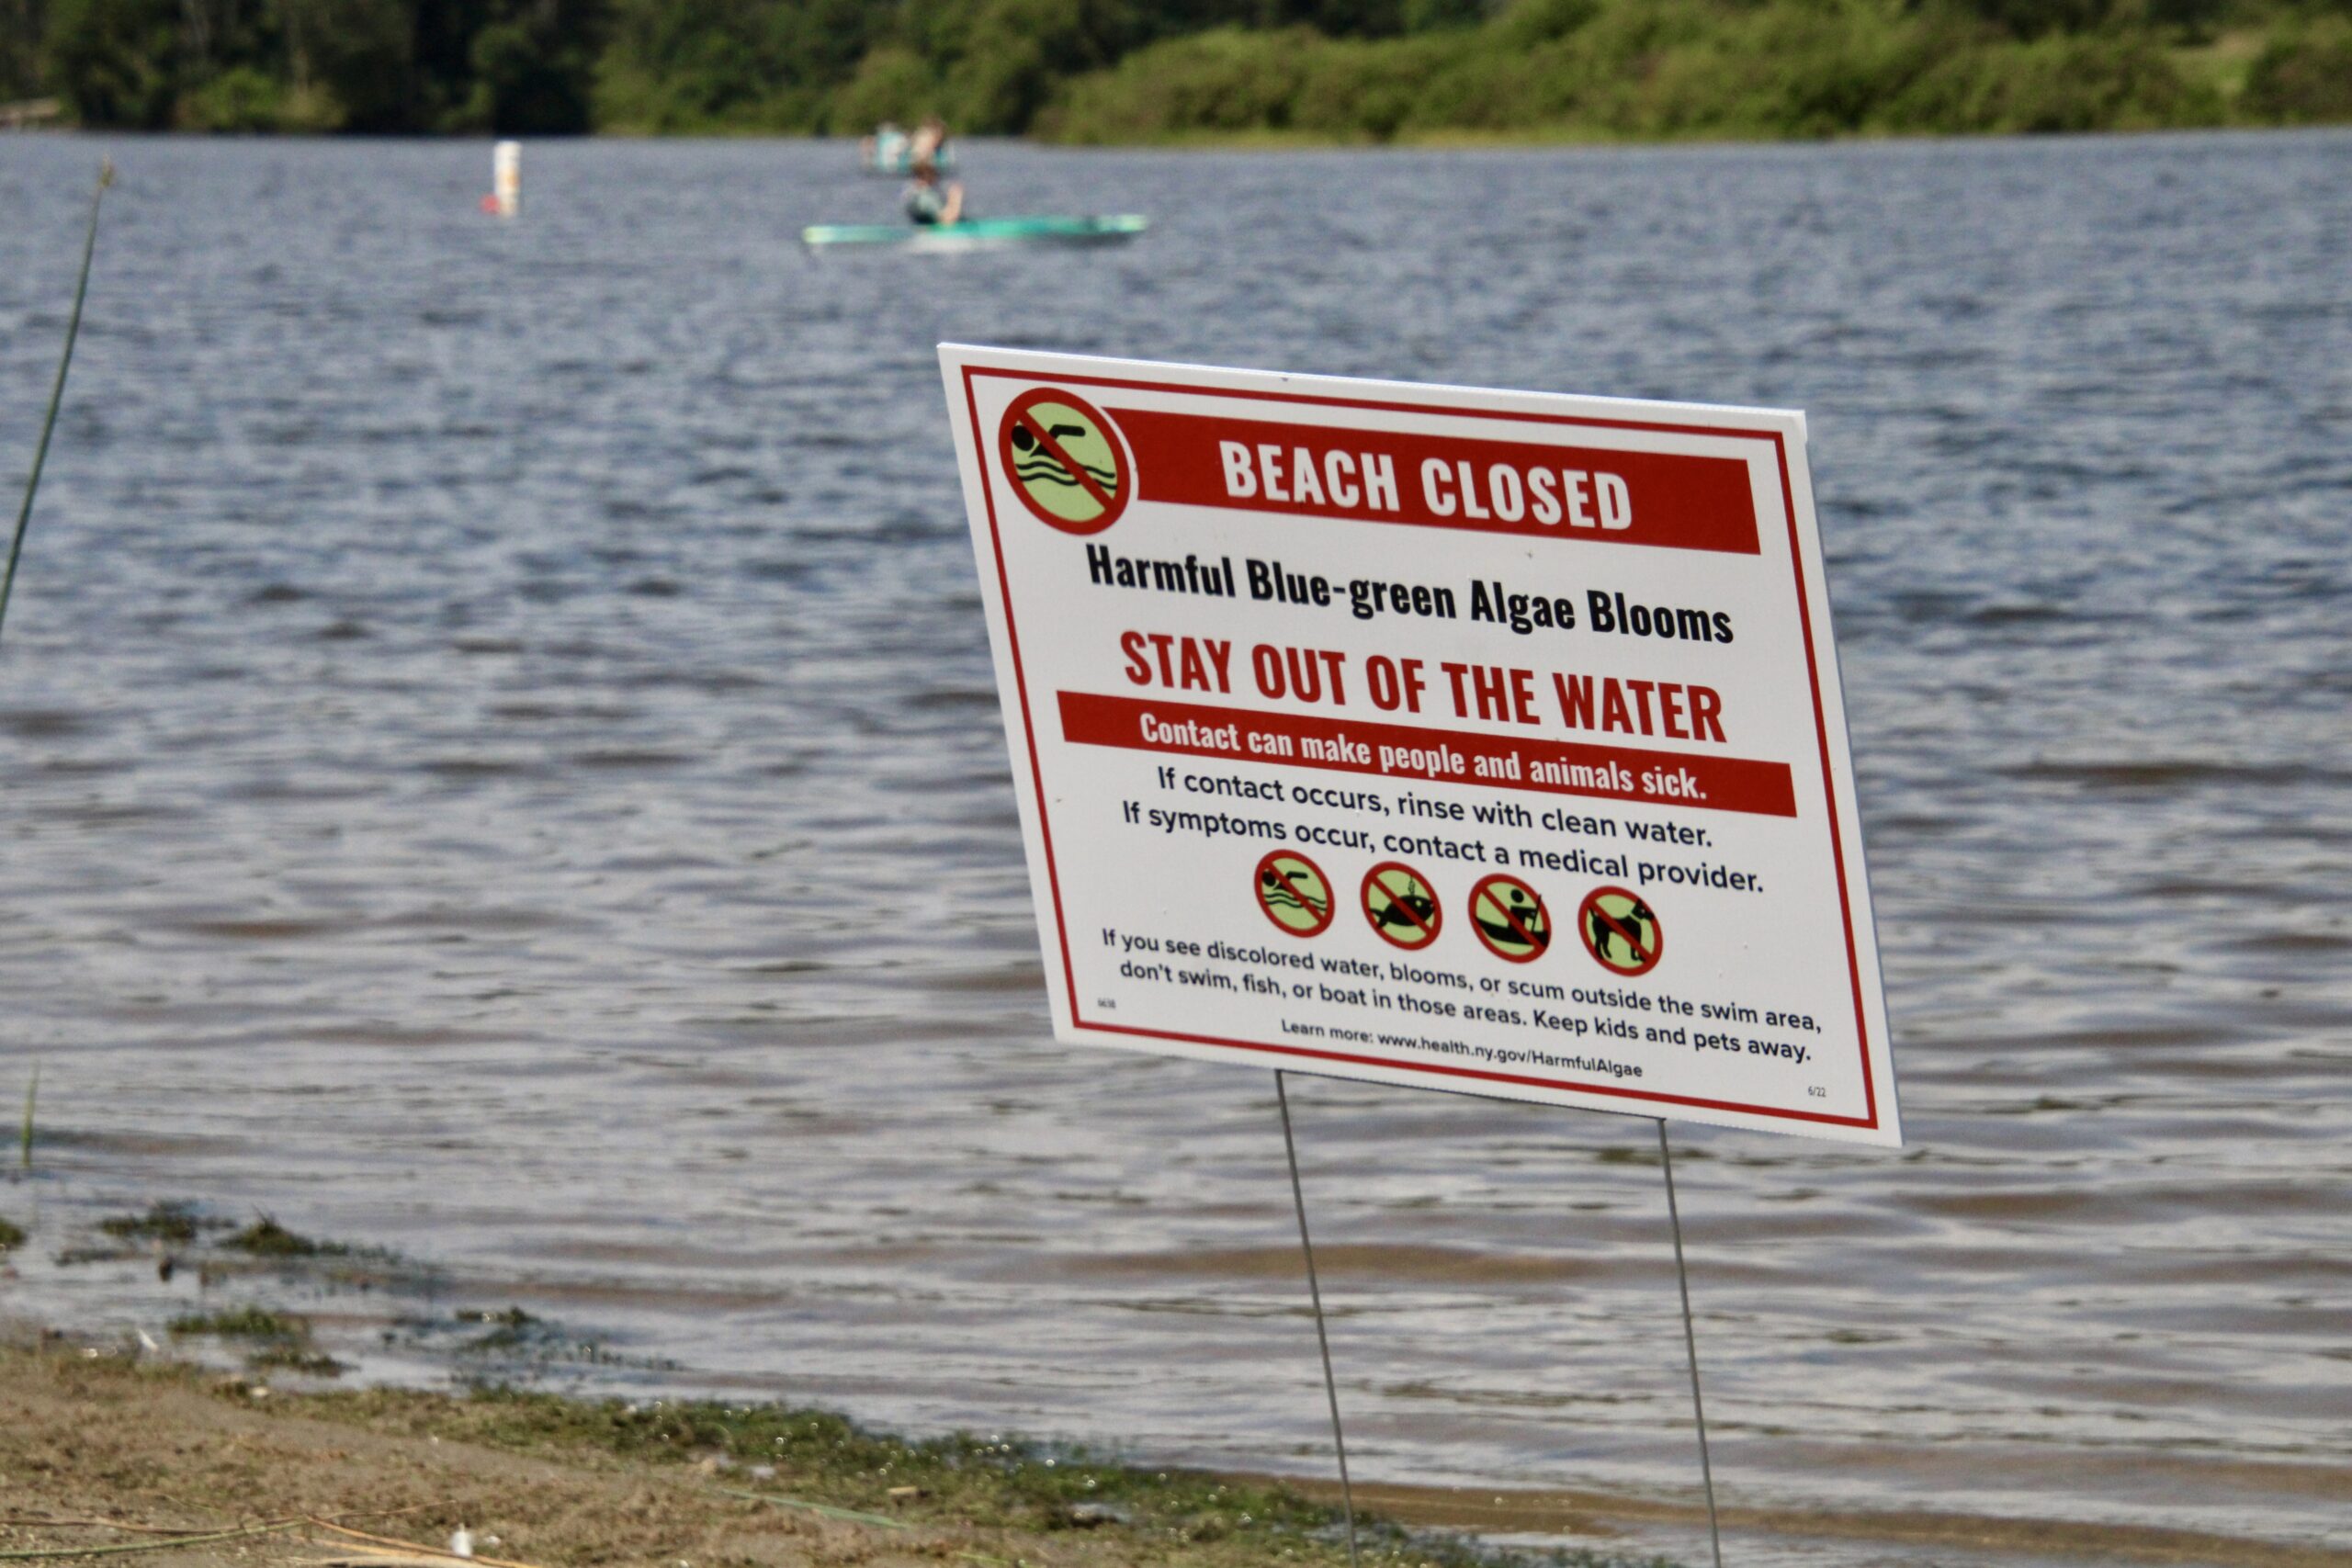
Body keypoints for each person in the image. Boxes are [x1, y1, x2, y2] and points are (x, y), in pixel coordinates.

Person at [903, 155, 965, 226]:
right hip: (938, 233)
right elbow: (947, 220)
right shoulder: (925, 198)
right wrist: (955, 199)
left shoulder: (911, 193)